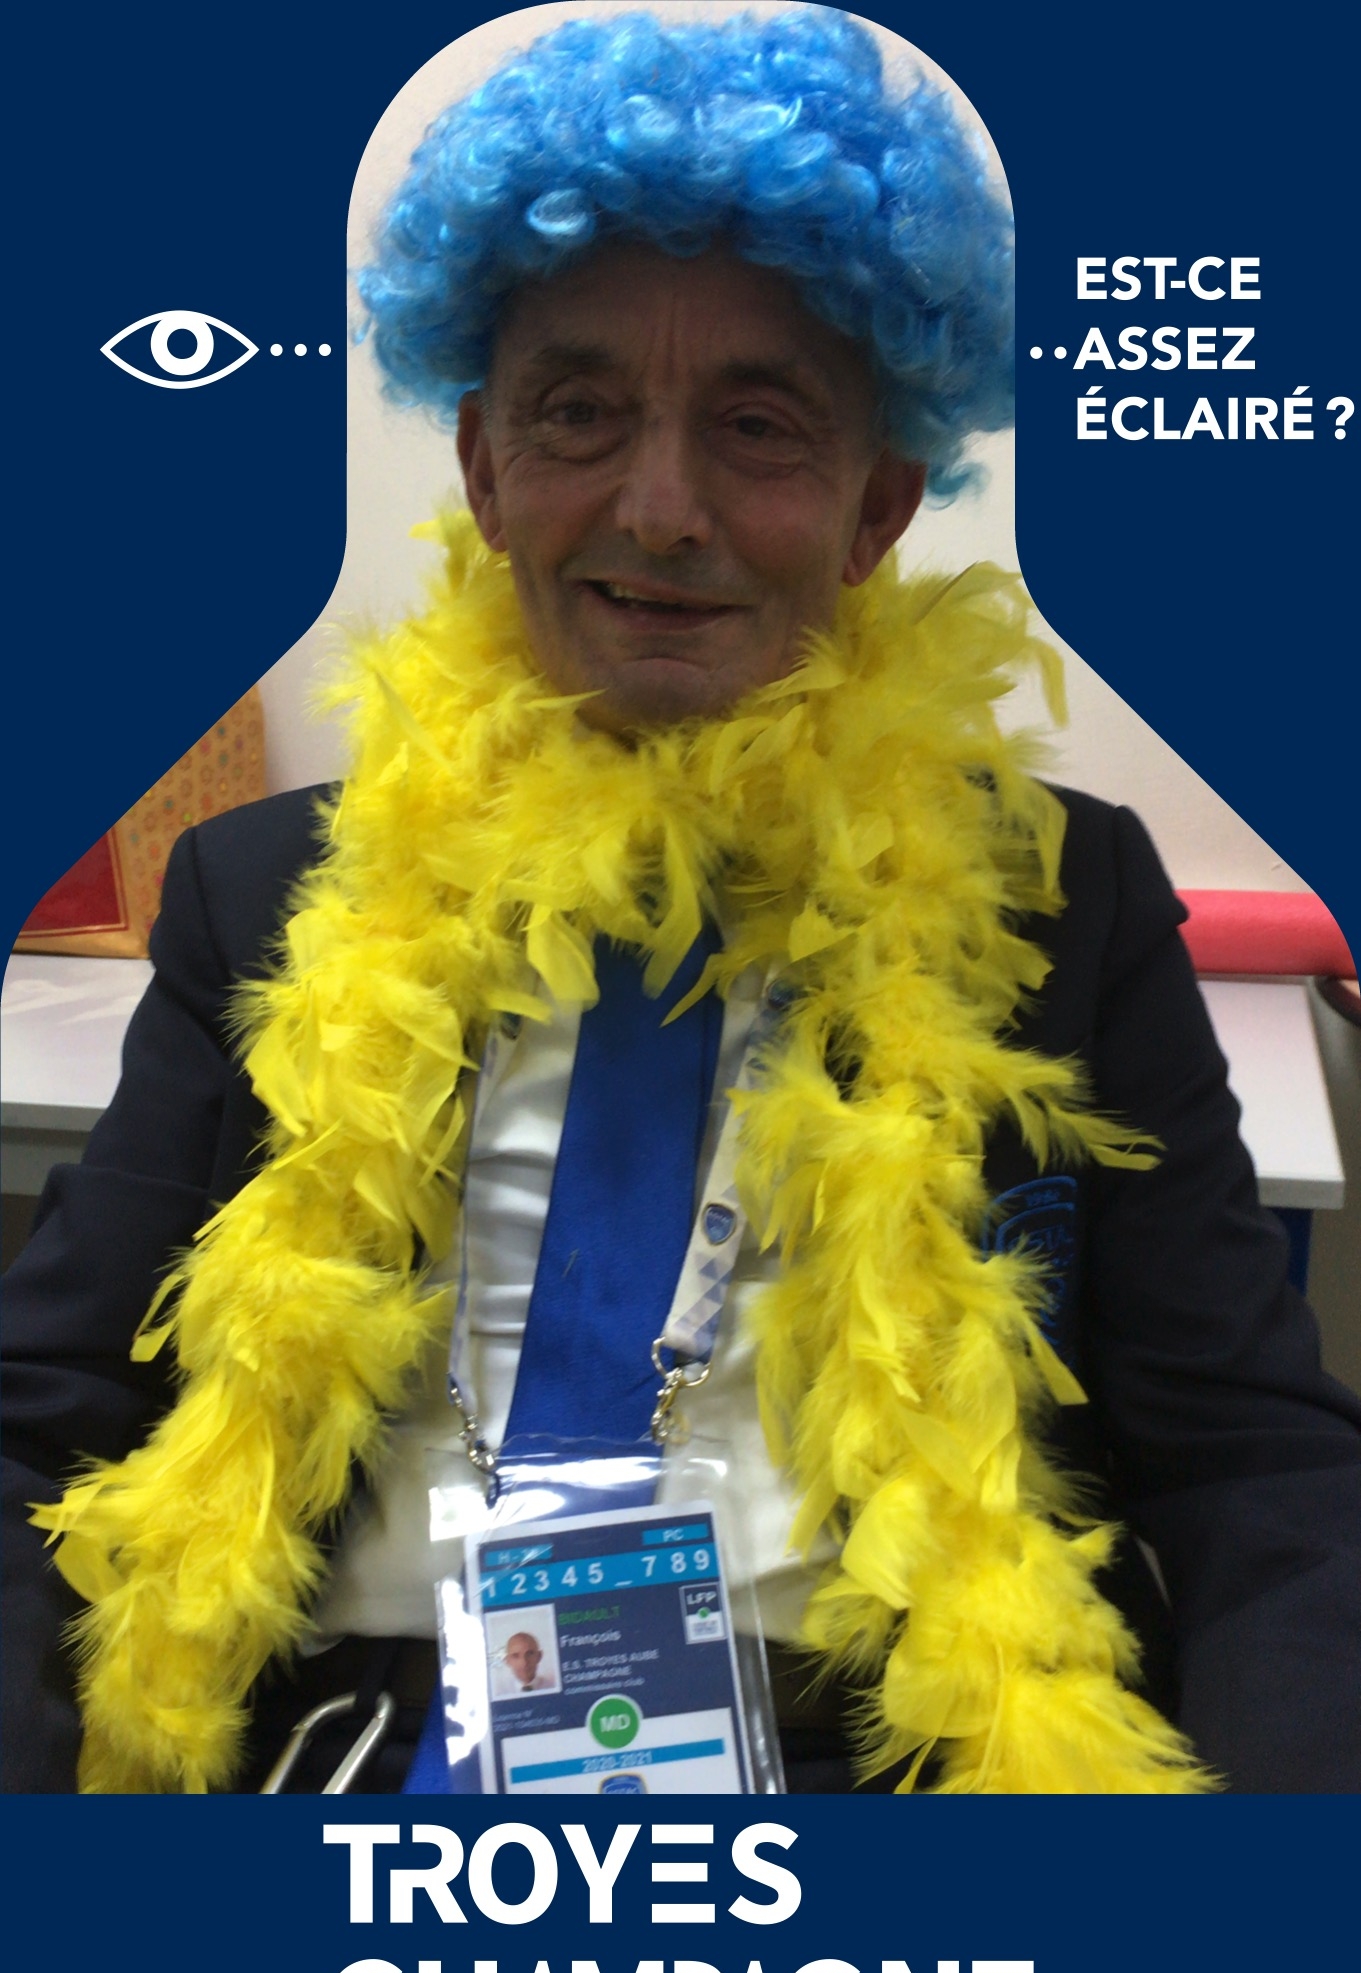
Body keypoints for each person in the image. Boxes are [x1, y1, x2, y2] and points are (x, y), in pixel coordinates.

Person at [3, 9, 1358, 1797]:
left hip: (885, 1757)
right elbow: (39, 1423)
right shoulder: (261, 893)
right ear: (485, 472)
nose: (658, 510)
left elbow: (1256, 1467)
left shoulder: (1060, 897)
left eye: (757, 427)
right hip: (348, 1740)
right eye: (578, 414)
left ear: (876, 508)